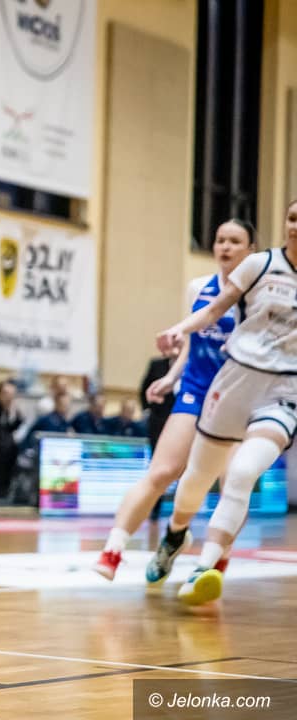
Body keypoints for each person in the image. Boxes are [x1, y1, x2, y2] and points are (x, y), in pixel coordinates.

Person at [93, 219, 255, 582]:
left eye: (234, 241)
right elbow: (191, 343)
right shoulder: (198, 287)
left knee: (233, 483)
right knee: (162, 471)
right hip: (196, 390)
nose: (225, 247)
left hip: (237, 398)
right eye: (220, 240)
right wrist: (170, 378)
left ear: (251, 251)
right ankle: (113, 551)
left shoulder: (258, 294)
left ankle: (215, 558)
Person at [148, 209, 293, 605]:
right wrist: (180, 328)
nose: (296, 225)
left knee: (242, 473)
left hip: (284, 392)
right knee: (197, 478)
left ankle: (206, 567)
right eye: (292, 217)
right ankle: (176, 534)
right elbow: (213, 310)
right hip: (235, 382)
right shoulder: (261, 265)